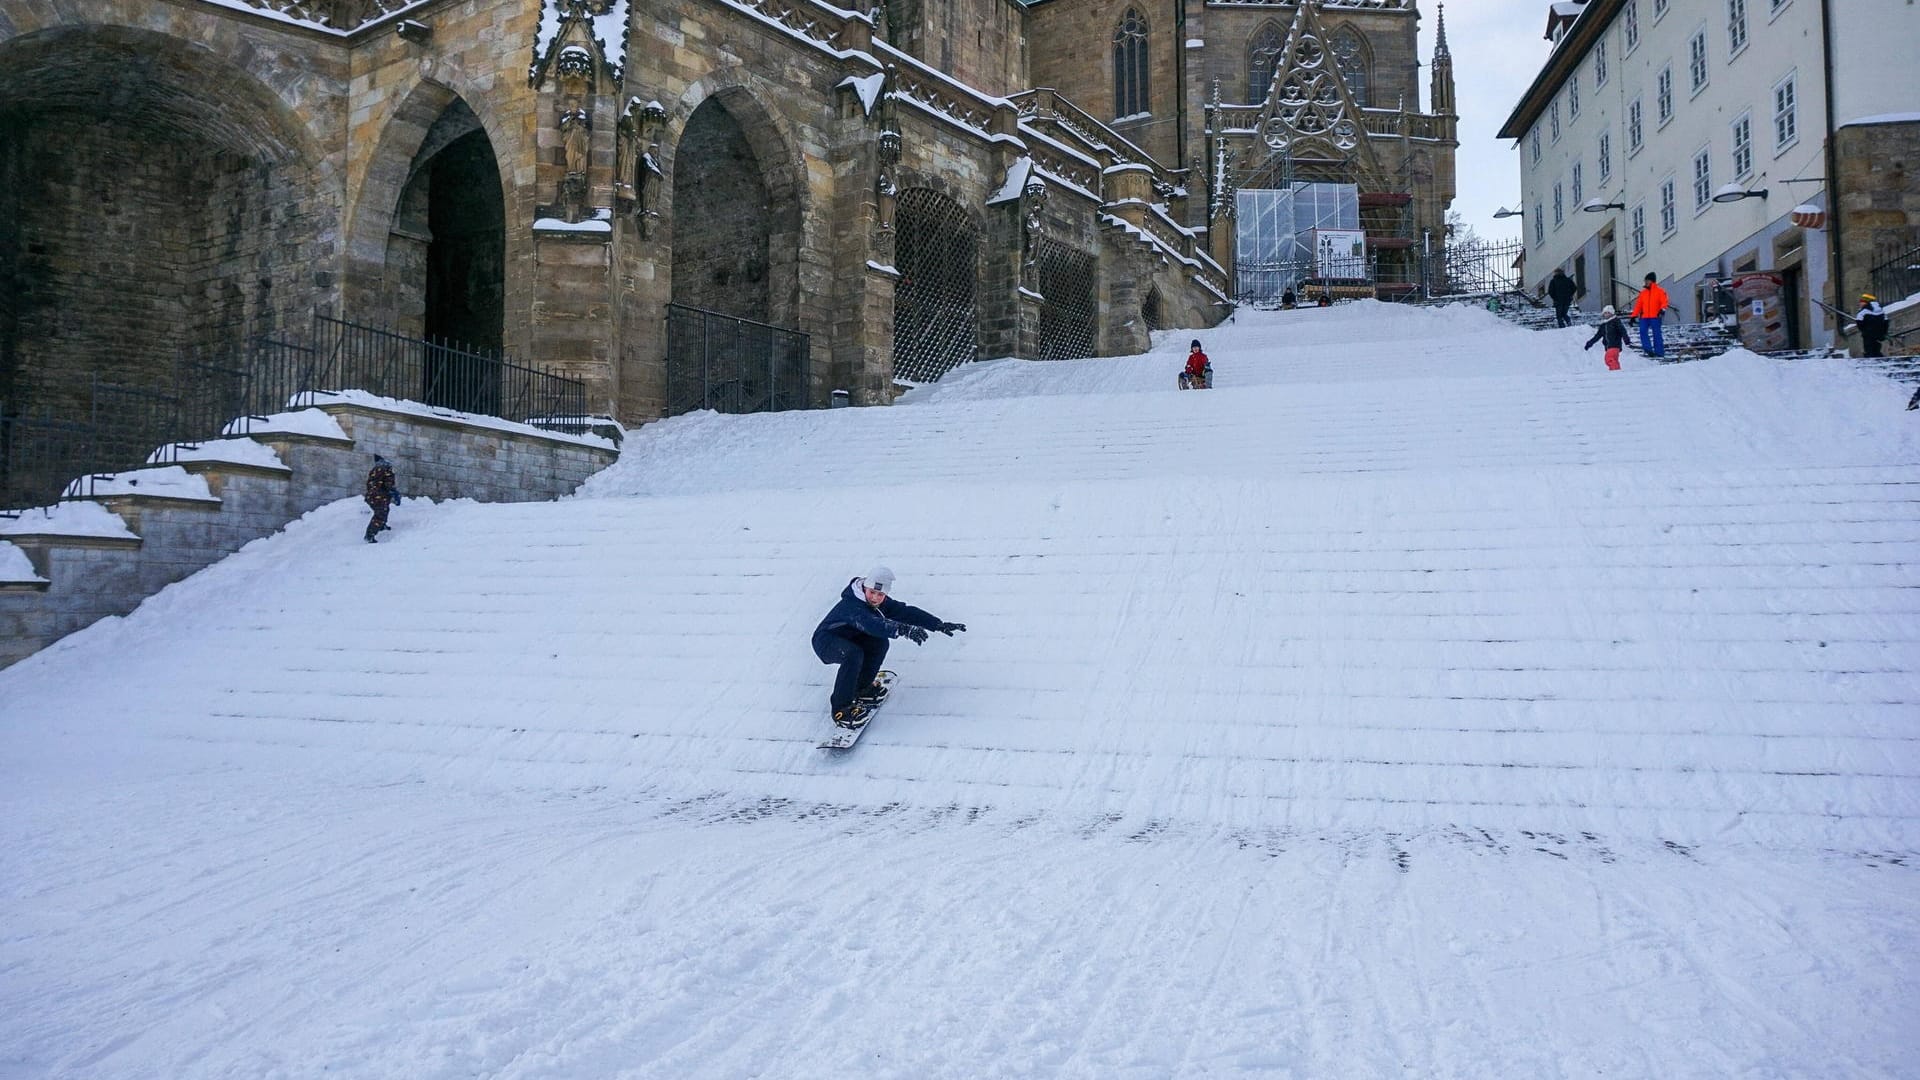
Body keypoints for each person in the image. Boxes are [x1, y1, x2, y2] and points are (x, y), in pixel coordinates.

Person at [811, 567, 964, 729]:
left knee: (879, 643)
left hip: (851, 637)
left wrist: (937, 624)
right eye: (872, 592)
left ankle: (861, 689)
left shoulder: (879, 602)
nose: (875, 598)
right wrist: (904, 630)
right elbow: (871, 624)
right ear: (865, 588)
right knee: (853, 654)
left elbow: (905, 612)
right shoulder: (852, 604)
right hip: (826, 640)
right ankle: (841, 710)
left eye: (880, 594)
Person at [363, 454, 401, 543]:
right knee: (380, 514)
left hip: (371, 496)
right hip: (379, 496)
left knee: (384, 510)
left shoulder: (374, 470)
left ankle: (382, 525)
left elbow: (370, 484)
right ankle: (369, 535)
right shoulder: (387, 468)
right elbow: (389, 483)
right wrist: (394, 492)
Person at [1583, 305, 1632, 371]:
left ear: (1612, 313)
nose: (1606, 314)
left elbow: (1623, 331)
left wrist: (1626, 340)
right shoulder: (1603, 325)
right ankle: (1616, 372)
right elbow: (1597, 336)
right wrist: (1589, 343)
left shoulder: (1616, 322)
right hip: (1608, 346)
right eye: (1605, 313)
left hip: (1615, 345)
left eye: (1608, 313)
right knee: (1613, 360)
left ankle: (1615, 371)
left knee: (1608, 358)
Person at [1631, 272, 1669, 358]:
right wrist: (1633, 316)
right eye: (1645, 280)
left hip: (1655, 316)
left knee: (1657, 334)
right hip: (1644, 317)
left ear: (1651, 281)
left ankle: (1659, 352)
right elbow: (1638, 305)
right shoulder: (1643, 293)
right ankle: (1648, 350)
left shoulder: (1660, 291)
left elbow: (1664, 301)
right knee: (1642, 331)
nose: (1645, 282)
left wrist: (1662, 310)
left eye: (1647, 280)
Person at [1855, 293, 1889, 358]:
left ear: (1866, 302)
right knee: (1877, 348)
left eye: (1862, 302)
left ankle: (1870, 363)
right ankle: (1880, 361)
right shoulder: (1881, 310)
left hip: (1868, 334)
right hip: (1879, 333)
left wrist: (1864, 330)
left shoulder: (1863, 311)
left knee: (1869, 350)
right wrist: (1884, 332)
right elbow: (1886, 322)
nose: (1860, 304)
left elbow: (1859, 322)